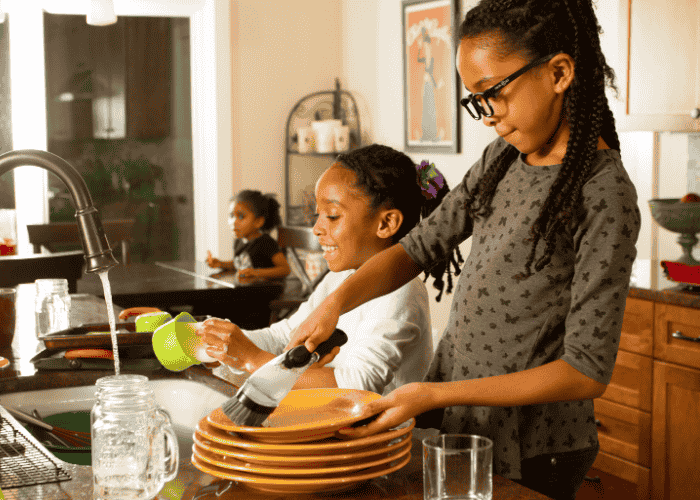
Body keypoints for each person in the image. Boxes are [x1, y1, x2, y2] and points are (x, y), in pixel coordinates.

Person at [285, 1, 642, 498]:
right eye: (477, 100)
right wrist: (335, 303)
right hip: (466, 420)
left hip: (539, 443)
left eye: (494, 93)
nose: (488, 116)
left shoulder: (603, 192)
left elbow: (584, 370)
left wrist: (434, 392)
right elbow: (417, 247)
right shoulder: (503, 159)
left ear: (559, 72)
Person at [197, 145, 463, 395]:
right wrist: (219, 345)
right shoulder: (338, 279)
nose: (317, 229)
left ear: (386, 223)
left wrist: (253, 360)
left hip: (387, 438)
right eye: (318, 215)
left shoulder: (402, 291)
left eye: (332, 216)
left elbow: (359, 384)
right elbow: (284, 336)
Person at [206, 190, 290, 280]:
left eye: (241, 217)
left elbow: (285, 270)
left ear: (258, 222)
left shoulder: (265, 242)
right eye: (231, 216)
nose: (234, 222)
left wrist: (256, 272)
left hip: (267, 291)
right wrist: (221, 264)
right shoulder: (239, 241)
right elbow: (240, 264)